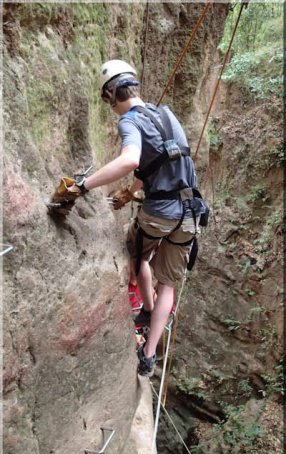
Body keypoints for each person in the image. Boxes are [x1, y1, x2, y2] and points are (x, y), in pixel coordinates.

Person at [78, 59, 200, 377]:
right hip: (190, 213)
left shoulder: (129, 121)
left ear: (111, 93)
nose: (110, 107)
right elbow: (161, 159)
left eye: (107, 100)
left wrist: (83, 186)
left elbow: (131, 158)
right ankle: (148, 357)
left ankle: (145, 308)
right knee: (169, 285)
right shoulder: (166, 115)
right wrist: (132, 191)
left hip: (159, 212)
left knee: (138, 256)